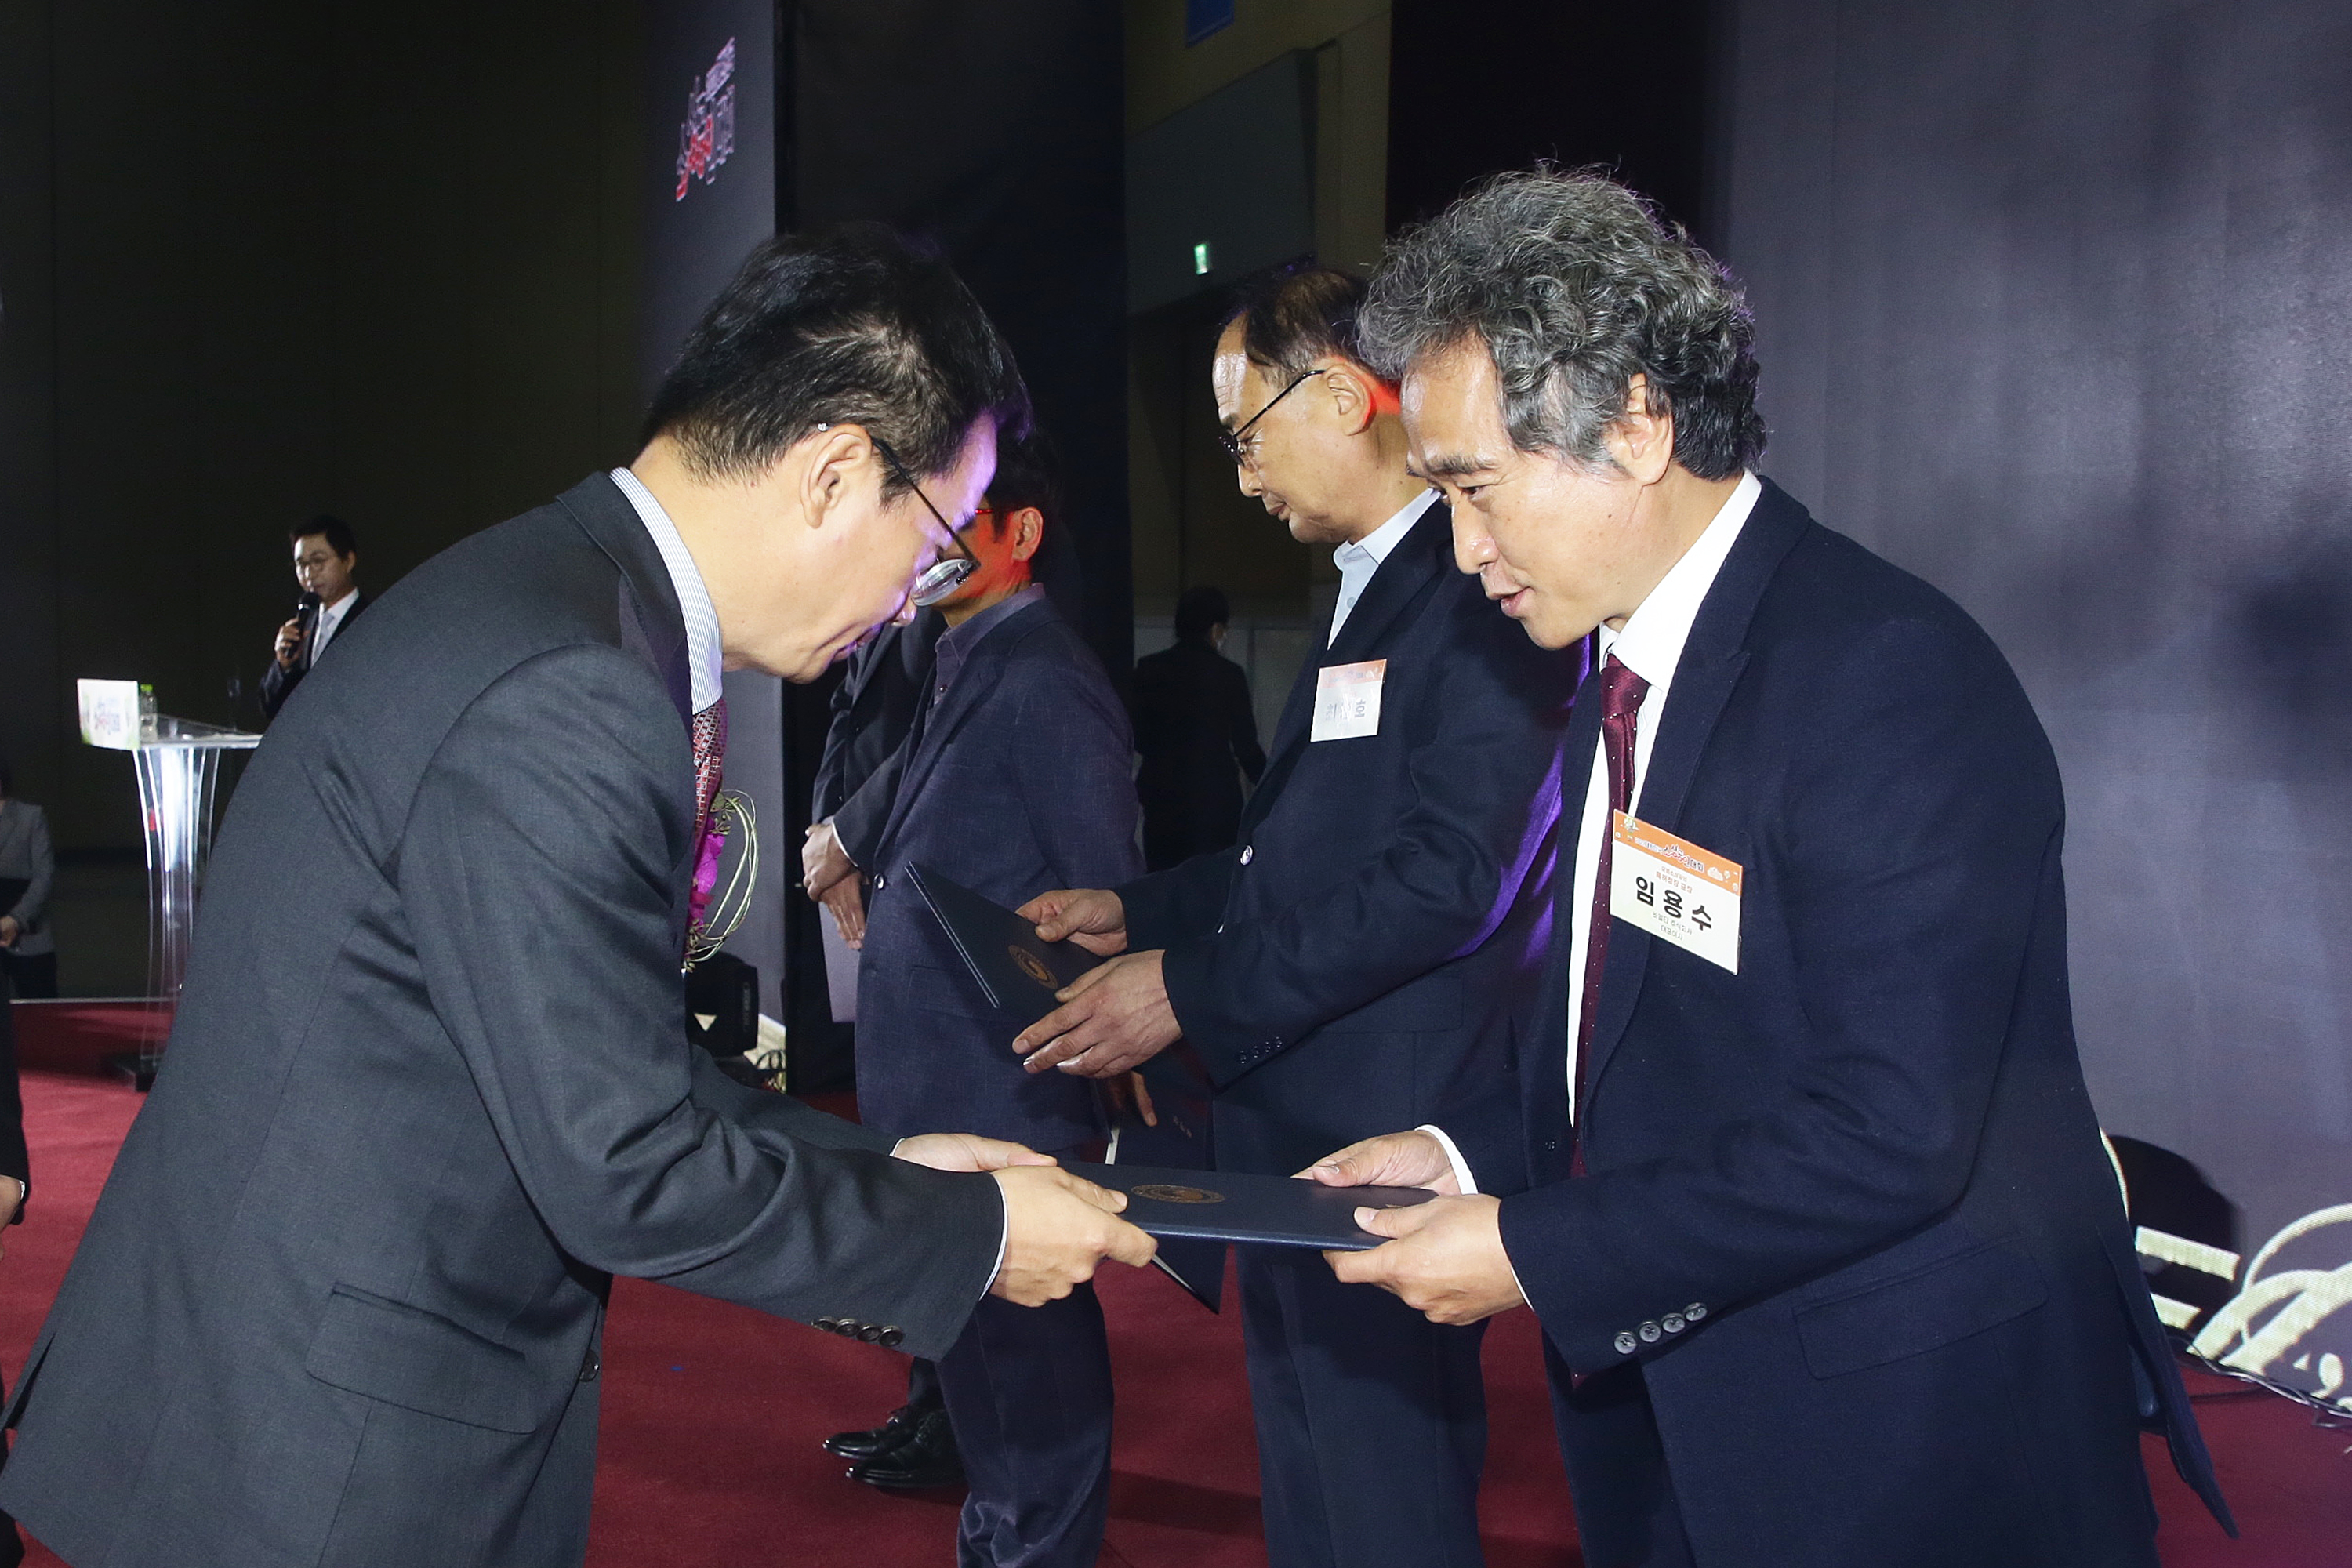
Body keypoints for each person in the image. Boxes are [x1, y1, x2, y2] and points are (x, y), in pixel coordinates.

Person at [0, 225, 1156, 1568]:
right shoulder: (569, 687)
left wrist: (889, 1165)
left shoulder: (551, 597)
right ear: (837, 473)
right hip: (317, 1458)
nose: (914, 599)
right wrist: (971, 1237)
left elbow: (605, 1063)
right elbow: (622, 1163)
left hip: (295, 1386)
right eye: (936, 544)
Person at [1306, 171, 2234, 1568]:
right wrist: (1462, 1153)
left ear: (1635, 424)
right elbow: (1641, 1028)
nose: (1462, 547)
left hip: (1901, 1431)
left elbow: (1892, 1128)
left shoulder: (1885, 678)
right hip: (1691, 1391)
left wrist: (1538, 1252)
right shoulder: (1617, 656)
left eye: (1475, 487)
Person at [1011, 267, 1579, 1568]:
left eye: (1244, 432)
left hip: (1385, 1123)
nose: (1241, 475)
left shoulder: (1479, 581)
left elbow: (1450, 877)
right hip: (1291, 1108)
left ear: (1339, 392)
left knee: (1383, 1496)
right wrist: (1137, 910)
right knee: (1312, 1480)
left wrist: (1188, 988)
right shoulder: (1363, 587)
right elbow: (1296, 852)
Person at [848, 432, 1142, 1559]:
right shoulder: (964, 657)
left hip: (1005, 1083)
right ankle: (1001, 1540)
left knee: (1030, 1361)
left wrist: (1106, 1053)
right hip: (944, 1079)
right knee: (979, 1360)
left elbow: (1104, 893)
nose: (924, 546)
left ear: (1021, 533)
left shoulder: (1047, 676)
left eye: (951, 523)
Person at [801, 608, 957, 1483]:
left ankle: (955, 1419)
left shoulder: (958, 606)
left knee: (939, 1173)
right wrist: (827, 835)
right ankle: (931, 1401)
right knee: (906, 1166)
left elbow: (934, 735)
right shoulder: (889, 596)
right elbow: (848, 718)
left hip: (927, 884)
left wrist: (848, 836)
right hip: (876, 875)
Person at [1131, 585, 1266, 870]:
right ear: (1216, 629)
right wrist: (1272, 786)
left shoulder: (1149, 669)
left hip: (1162, 799)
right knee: (1211, 883)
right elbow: (1246, 748)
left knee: (1162, 882)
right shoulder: (1229, 675)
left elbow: (1138, 737)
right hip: (1215, 803)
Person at [258, 515, 368, 720]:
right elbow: (269, 708)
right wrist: (282, 665)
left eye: (318, 561)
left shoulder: (371, 621)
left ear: (348, 561)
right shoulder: (303, 624)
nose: (309, 574)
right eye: (301, 565)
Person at [0, 759, 55, 1000]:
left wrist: (15, 919)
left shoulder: (30, 817)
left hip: (27, 933)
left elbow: (44, 875)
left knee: (38, 1007)